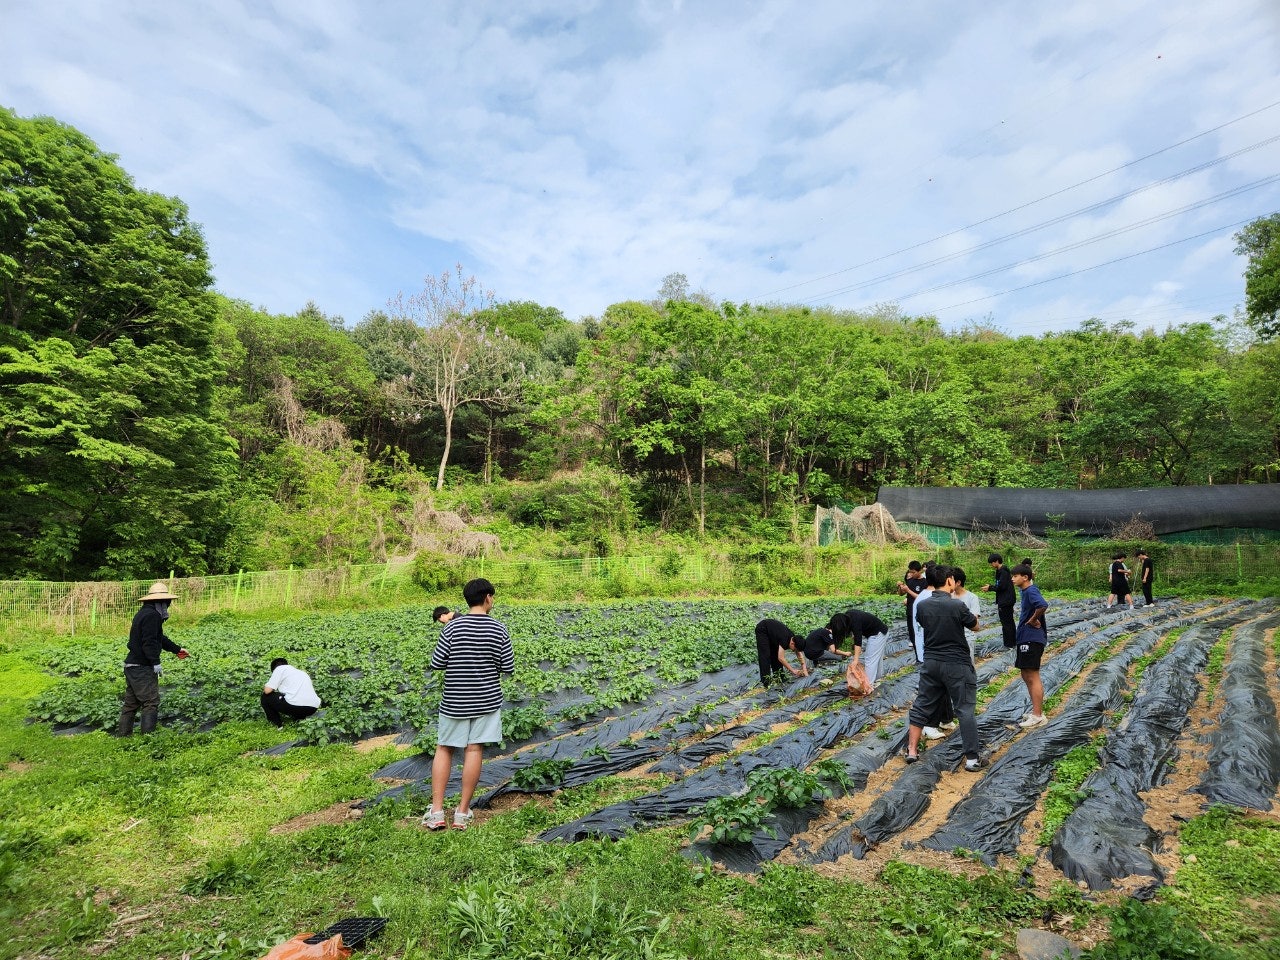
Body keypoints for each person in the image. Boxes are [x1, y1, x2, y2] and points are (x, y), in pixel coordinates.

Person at [422, 578, 515, 831]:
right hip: (486, 700)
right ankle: (462, 813)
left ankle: (438, 812)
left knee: (445, 748)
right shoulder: (499, 629)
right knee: (474, 750)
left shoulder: (451, 628)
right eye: (492, 597)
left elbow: (437, 662)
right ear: (487, 598)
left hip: (455, 701)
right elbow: (508, 667)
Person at [903, 565, 985, 771]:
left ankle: (911, 751)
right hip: (957, 663)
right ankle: (972, 759)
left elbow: (923, 624)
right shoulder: (957, 606)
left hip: (931, 662)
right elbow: (975, 626)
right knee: (965, 709)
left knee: (922, 704)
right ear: (949, 580)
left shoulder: (921, 606)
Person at [119, 581, 189, 736]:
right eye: (167, 602)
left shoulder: (144, 612)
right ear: (161, 602)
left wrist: (177, 649)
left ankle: (123, 736)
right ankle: (148, 739)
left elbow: (158, 637)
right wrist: (155, 662)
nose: (169, 605)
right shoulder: (152, 616)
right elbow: (149, 642)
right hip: (142, 667)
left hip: (132, 665)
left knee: (131, 703)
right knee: (150, 701)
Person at [1011, 563, 1050, 728]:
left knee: (1032, 676)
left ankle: (1038, 715)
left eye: (1015, 576)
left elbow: (1042, 605)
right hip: (1025, 637)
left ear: (1025, 577)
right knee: (1026, 674)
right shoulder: (1025, 591)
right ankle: (1036, 710)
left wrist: (1033, 620)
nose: (1012, 579)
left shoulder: (1031, 590)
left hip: (1031, 639)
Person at [827, 608, 890, 688]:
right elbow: (855, 635)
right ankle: (877, 679)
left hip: (878, 634)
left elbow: (858, 642)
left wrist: (855, 660)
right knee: (876, 658)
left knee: (870, 660)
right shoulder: (849, 616)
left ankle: (868, 686)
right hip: (879, 632)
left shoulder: (855, 621)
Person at [261, 657, 322, 728]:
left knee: (265, 697)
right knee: (292, 697)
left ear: (274, 669)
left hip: (296, 706)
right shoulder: (302, 672)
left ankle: (277, 724)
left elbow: (267, 690)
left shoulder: (279, 669)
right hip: (312, 708)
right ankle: (299, 720)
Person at [755, 618, 808, 685]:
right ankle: (766, 681)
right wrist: (793, 671)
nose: (794, 651)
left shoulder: (794, 639)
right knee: (765, 656)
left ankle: (779, 677)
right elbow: (781, 658)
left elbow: (799, 654)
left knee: (775, 654)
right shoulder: (784, 639)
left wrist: (804, 670)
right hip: (763, 629)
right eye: (794, 649)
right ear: (792, 643)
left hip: (773, 634)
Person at [983, 553, 1016, 649]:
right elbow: (1000, 585)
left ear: (997, 561)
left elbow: (1001, 586)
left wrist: (990, 588)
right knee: (1008, 621)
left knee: (1006, 622)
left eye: (992, 563)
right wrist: (991, 587)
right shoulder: (1000, 571)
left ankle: (1009, 644)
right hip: (1006, 599)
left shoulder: (1003, 572)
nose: (991, 565)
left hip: (1006, 600)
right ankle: (1011, 641)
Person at [898, 561, 928, 662]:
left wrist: (908, 591)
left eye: (913, 572)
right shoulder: (910, 581)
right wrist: (901, 588)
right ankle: (918, 657)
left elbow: (921, 598)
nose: (911, 574)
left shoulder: (925, 583)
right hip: (910, 612)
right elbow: (901, 594)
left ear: (919, 571)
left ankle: (924, 656)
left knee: (921, 635)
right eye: (910, 572)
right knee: (912, 635)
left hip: (920, 613)